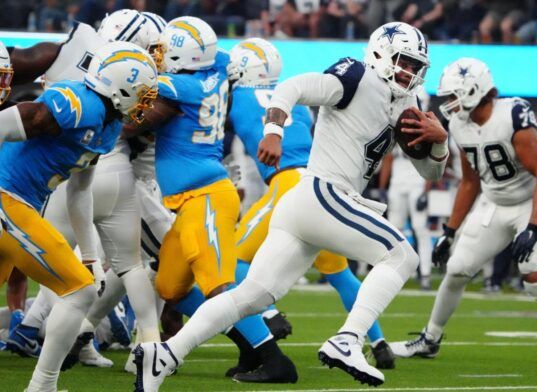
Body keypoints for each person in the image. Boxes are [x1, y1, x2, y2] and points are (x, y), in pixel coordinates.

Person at [134, 21, 447, 391]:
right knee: (401, 256)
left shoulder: (407, 103)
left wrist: (439, 142)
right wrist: (274, 131)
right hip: (323, 192)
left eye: (415, 66)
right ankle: (349, 339)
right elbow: (292, 86)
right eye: (403, 61)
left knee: (250, 296)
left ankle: (166, 354)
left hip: (305, 204)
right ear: (380, 52)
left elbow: (431, 172)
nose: (408, 71)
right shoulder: (356, 76)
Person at [124, 16, 298, 385]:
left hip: (206, 195)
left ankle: (274, 358)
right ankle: (250, 345)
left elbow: (136, 119)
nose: (160, 56)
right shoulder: (217, 67)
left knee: (220, 287)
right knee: (170, 288)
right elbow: (217, 57)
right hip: (188, 201)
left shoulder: (177, 86)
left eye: (167, 50)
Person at [390, 58, 537, 369]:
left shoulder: (512, 114)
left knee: (536, 278)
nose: (449, 104)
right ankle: (430, 340)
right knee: (457, 268)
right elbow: (471, 180)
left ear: (474, 91)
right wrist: (450, 231)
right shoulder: (459, 125)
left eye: (453, 96)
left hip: (532, 198)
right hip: (495, 202)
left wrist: (533, 227)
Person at [5, 11, 165, 370]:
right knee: (81, 290)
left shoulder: (107, 126)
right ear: (122, 85)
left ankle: (39, 353)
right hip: (8, 198)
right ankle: (42, 376)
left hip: (27, 203)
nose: (147, 102)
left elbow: (80, 191)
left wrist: (91, 256)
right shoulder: (80, 102)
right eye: (143, 92)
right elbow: (9, 123)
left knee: (81, 283)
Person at [227, 38, 396, 377]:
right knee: (340, 275)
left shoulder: (239, 97)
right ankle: (379, 344)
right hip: (319, 184)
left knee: (232, 261)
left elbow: (228, 147)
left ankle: (269, 316)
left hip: (289, 186)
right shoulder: (297, 106)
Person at [379, 87, 434, 290]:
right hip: (398, 183)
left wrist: (427, 190)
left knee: (421, 228)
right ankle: (393, 273)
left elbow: (434, 161)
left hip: (418, 182)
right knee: (394, 229)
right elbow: (389, 158)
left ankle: (425, 274)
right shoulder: (396, 124)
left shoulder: (430, 128)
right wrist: (383, 187)